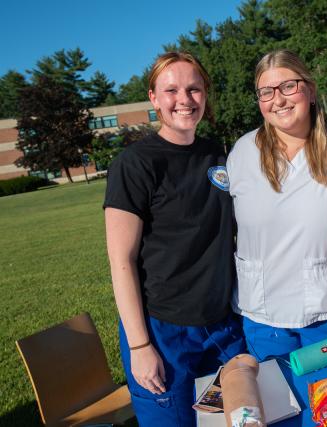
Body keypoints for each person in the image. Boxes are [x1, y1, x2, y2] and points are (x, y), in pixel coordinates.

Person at [104, 52, 244, 427]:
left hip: (223, 327)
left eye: (194, 88)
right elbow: (121, 261)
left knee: (227, 420)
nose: (184, 99)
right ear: (153, 98)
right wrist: (140, 346)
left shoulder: (218, 154)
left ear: (205, 94)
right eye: (171, 90)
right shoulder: (135, 164)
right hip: (164, 333)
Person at [226, 50, 327, 361]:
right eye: (266, 91)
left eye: (289, 86)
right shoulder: (243, 152)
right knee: (281, 406)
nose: (279, 99)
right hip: (264, 318)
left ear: (311, 91)